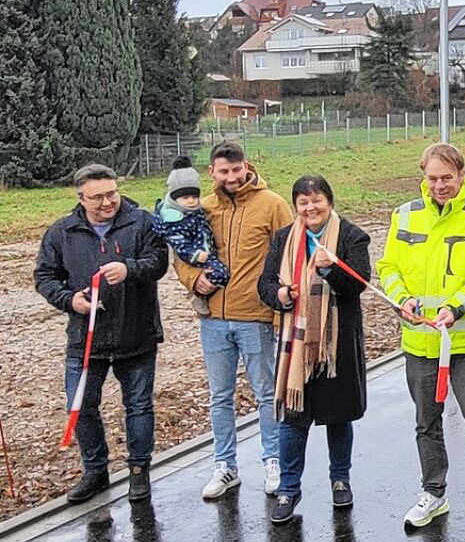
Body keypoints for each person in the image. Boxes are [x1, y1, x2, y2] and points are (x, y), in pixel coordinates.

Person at [376, 143, 465, 536]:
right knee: (425, 423)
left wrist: (455, 307)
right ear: (424, 176)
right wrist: (401, 299)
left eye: (446, 178)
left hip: (464, 343)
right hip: (419, 343)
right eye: (432, 178)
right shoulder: (404, 215)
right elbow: (389, 266)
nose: (439, 185)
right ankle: (433, 493)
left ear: (461, 176)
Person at [34, 164, 168, 504]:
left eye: (112, 193)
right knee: (80, 406)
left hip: (135, 334)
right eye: (98, 197)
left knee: (138, 407)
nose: (108, 202)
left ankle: (139, 471)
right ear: (81, 197)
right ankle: (95, 470)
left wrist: (129, 268)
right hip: (86, 340)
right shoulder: (63, 232)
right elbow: (45, 276)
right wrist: (71, 301)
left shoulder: (141, 222)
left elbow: (158, 263)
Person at [172, 141, 293, 500]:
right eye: (224, 172)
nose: (231, 177)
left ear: (246, 166)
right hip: (213, 319)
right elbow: (181, 253)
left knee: (267, 393)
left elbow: (288, 258)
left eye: (236, 170)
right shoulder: (202, 209)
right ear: (212, 172)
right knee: (220, 396)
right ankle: (225, 466)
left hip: (255, 316)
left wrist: (277, 311)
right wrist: (195, 280)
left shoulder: (272, 205)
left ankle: (274, 460)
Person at [258, 175, 371, 525]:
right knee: (293, 418)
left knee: (339, 416)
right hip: (296, 344)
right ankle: (289, 489)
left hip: (336, 345)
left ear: (330, 201)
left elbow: (359, 284)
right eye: (303, 202)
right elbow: (265, 284)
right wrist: (279, 295)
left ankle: (340, 479)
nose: (311, 208)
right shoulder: (284, 240)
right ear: (296, 207)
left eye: (317, 200)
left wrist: (333, 269)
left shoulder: (352, 236)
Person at [152, 156, 229, 315]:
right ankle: (199, 295)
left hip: (206, 252)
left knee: (221, 275)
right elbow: (180, 246)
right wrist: (194, 256)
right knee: (220, 274)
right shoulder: (174, 221)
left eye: (194, 197)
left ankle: (202, 295)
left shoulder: (198, 212)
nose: (192, 201)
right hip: (198, 255)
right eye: (186, 198)